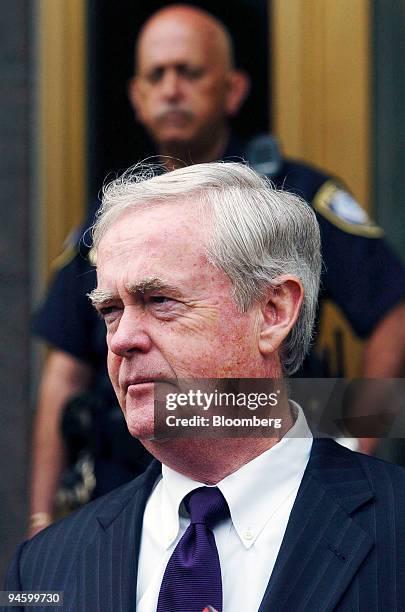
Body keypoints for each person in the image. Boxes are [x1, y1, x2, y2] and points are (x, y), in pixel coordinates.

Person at [30, 4, 405, 536]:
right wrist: (41, 518)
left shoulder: (290, 196)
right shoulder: (111, 224)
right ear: (137, 97)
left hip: (276, 497)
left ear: (231, 89)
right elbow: (64, 374)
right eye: (157, 75)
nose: (172, 88)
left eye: (190, 71)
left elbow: (393, 309)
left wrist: (350, 439)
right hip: (124, 503)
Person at [6, 162, 405, 611]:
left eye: (159, 301)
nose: (120, 340)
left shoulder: (394, 526)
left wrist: (355, 447)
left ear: (272, 312)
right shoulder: (41, 570)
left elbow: (394, 317)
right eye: (111, 311)